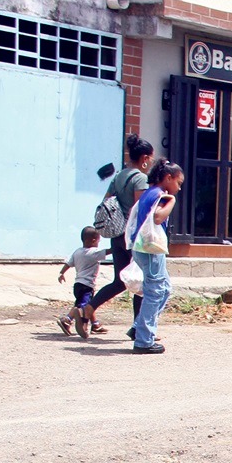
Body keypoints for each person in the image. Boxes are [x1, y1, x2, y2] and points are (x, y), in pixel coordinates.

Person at [87, 135, 154, 332]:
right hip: (132, 237)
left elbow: (107, 201)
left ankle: (88, 308)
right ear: (143, 158)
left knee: (120, 281)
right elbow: (139, 210)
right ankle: (138, 328)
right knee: (141, 281)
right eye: (150, 158)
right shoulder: (140, 178)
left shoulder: (118, 176)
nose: (151, 162)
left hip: (117, 235)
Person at [127, 159, 184, 355]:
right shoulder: (160, 195)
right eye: (178, 182)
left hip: (145, 248)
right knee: (156, 292)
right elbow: (158, 217)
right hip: (150, 250)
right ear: (168, 178)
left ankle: (139, 327)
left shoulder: (148, 193)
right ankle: (144, 340)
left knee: (165, 288)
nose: (178, 187)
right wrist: (172, 201)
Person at [56, 226, 106, 339]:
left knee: (91, 304)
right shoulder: (94, 253)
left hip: (78, 284)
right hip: (87, 286)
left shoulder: (77, 251)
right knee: (82, 308)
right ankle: (67, 319)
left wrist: (61, 273)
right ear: (93, 240)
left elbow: (69, 263)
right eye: (99, 240)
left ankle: (95, 324)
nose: (99, 243)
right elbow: (109, 251)